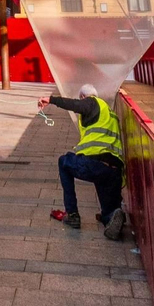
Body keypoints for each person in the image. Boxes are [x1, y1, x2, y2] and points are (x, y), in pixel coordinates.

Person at [40, 85, 127, 239]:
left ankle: (72, 214)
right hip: (114, 170)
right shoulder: (110, 114)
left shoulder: (92, 102)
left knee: (64, 162)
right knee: (108, 211)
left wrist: (51, 99)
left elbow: (75, 105)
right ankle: (113, 216)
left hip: (94, 164)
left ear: (83, 97)